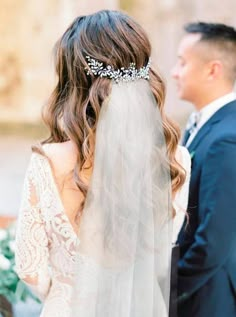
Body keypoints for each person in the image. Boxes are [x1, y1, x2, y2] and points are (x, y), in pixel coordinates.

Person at [14, 10, 190, 317]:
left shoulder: (48, 162)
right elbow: (166, 245)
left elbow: (30, 269)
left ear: (72, 78)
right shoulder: (176, 159)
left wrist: (65, 289)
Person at [172, 22, 236, 317]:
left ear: (213, 70)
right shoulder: (202, 122)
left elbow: (214, 239)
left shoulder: (227, 137)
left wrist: (170, 286)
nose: (175, 72)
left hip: (207, 298)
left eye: (182, 63)